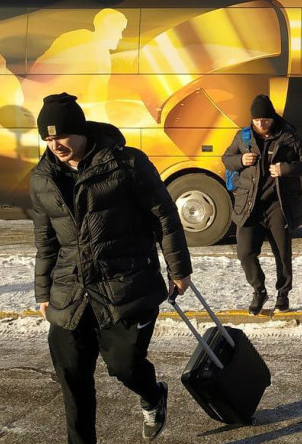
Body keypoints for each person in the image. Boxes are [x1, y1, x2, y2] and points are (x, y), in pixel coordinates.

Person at [29, 93, 192, 443]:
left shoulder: (126, 164)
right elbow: (46, 242)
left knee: (124, 366)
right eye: (48, 138)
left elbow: (164, 215)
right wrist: (43, 292)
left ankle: (152, 394)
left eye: (62, 135)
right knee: (71, 376)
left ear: (81, 130)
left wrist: (178, 268)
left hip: (125, 283)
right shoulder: (41, 178)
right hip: (71, 291)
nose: (55, 144)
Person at [221, 94, 302, 315]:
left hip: (278, 205)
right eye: (256, 120)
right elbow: (226, 158)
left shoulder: (288, 137)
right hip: (249, 204)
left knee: (282, 254)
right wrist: (239, 161)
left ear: (272, 117)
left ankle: (283, 294)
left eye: (265, 120)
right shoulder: (243, 137)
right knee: (245, 252)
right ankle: (259, 290)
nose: (261, 124)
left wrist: (287, 169)